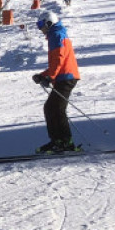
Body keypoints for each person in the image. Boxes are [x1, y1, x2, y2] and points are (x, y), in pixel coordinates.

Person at [33, 13, 81, 153]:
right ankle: (58, 141)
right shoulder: (57, 34)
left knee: (56, 109)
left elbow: (59, 59)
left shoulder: (56, 35)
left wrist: (50, 76)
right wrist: (43, 75)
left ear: (49, 23)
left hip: (66, 77)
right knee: (51, 108)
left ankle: (65, 143)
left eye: (41, 25)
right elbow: (57, 62)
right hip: (64, 76)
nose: (40, 29)